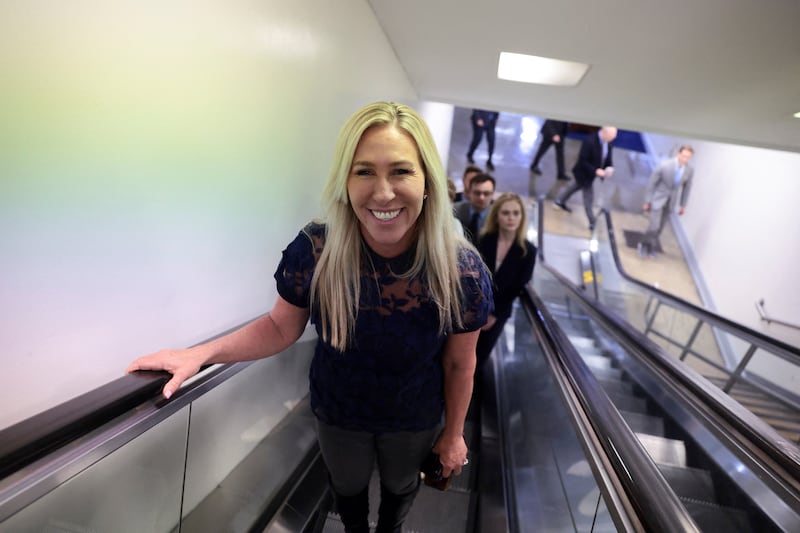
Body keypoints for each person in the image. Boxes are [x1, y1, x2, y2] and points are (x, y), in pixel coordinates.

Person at [125, 102, 493, 533]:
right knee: (348, 487)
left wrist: (453, 434)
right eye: (364, 172)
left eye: (400, 171)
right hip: (338, 410)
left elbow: (458, 362)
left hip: (414, 414)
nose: (383, 192)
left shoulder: (461, 270)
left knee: (399, 487)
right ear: (345, 180)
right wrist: (201, 354)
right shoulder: (317, 249)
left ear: (427, 181)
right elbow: (281, 327)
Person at [475, 193, 536, 369]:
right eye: (506, 213)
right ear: (497, 216)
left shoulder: (528, 251)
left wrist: (494, 314)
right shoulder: (484, 239)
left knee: (480, 358)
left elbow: (517, 287)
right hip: (473, 308)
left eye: (516, 213)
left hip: (498, 315)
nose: (511, 218)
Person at [553, 126, 618, 231]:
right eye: (613, 135)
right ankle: (593, 223)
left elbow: (608, 160)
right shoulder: (590, 141)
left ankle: (559, 202)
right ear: (605, 133)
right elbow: (583, 160)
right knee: (588, 199)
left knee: (574, 187)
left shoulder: (608, 144)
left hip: (590, 176)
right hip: (584, 174)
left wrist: (609, 168)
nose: (614, 138)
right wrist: (596, 170)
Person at [639, 145, 695, 257]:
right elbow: (652, 183)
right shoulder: (665, 165)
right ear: (678, 154)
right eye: (683, 156)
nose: (685, 159)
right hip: (658, 199)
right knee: (654, 226)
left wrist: (683, 205)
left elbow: (686, 188)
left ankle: (651, 246)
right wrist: (647, 201)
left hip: (671, 202)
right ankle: (643, 244)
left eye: (688, 157)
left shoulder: (689, 170)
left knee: (660, 227)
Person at [454, 173, 496, 245]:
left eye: (486, 193)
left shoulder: (497, 217)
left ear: (493, 194)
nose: (481, 197)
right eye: (477, 193)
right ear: (469, 192)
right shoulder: (455, 210)